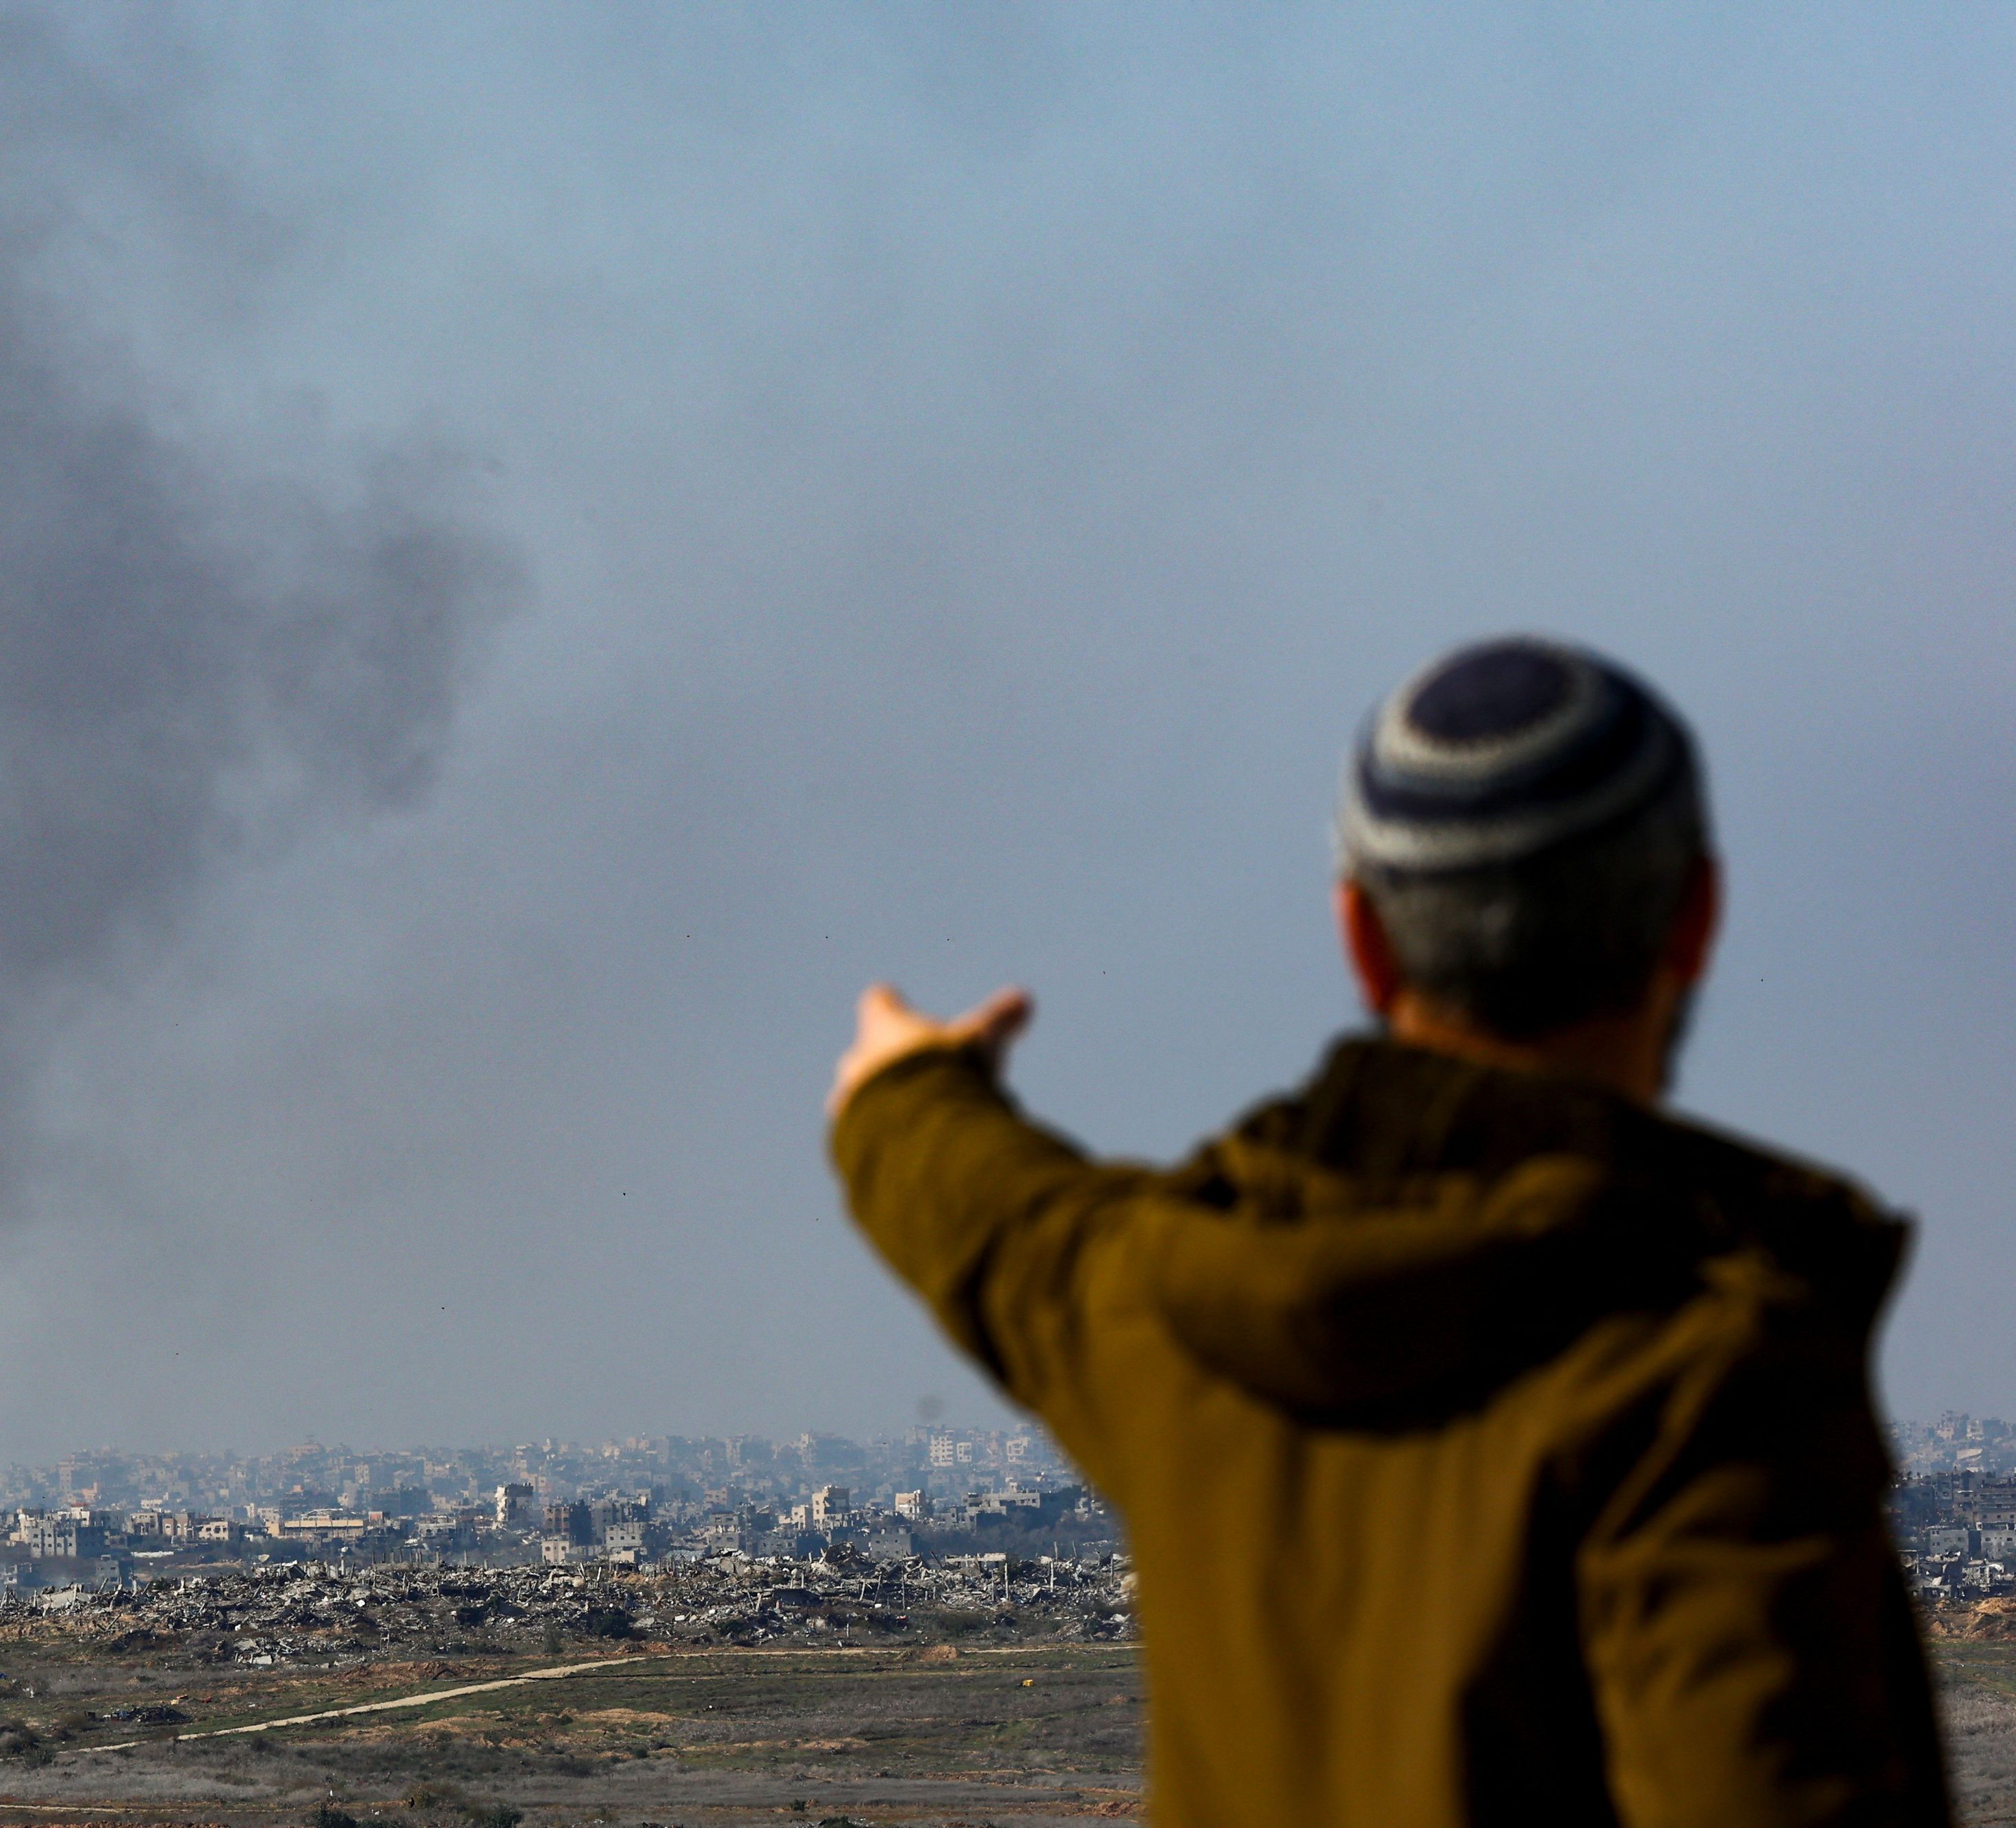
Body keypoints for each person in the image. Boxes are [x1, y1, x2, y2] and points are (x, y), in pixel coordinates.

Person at [826, 636, 1949, 1827]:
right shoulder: (1702, 1386)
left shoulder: (1169, 1304)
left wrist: (904, 1091)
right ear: (1697, 918)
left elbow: (999, 1221)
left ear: (1362, 936)